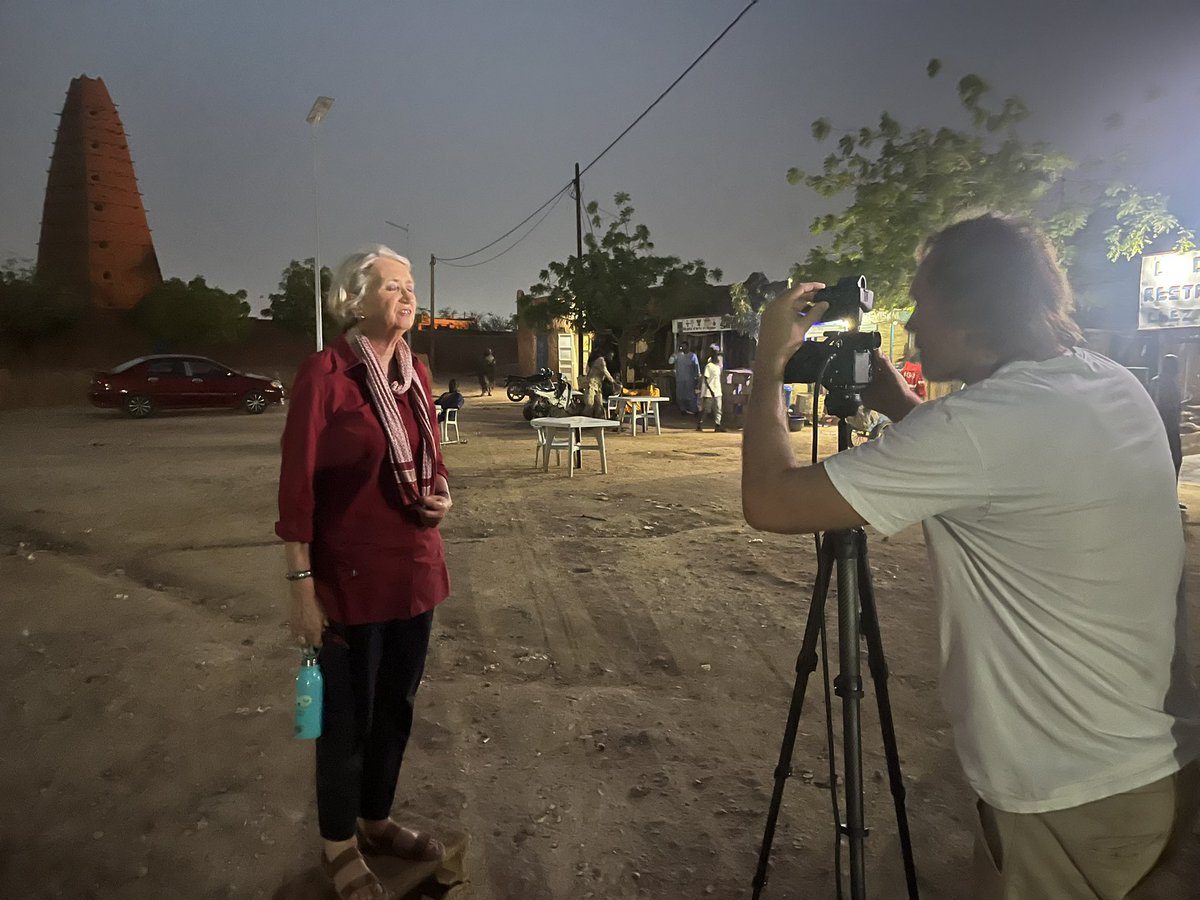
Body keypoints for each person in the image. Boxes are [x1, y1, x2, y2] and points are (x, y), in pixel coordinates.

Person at [741, 214, 1200, 899]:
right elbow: (1005, 455)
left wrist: (768, 368)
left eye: (924, 304)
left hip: (1067, 791)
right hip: (1149, 764)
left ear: (970, 310)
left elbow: (771, 502)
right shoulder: (1106, 380)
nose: (917, 326)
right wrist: (900, 403)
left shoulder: (979, 428)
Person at [276, 245, 453, 900]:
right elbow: (296, 494)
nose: (408, 296)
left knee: (395, 709)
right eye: (391, 286)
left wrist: (445, 498)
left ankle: (375, 819)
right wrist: (301, 589)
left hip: (416, 573)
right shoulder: (325, 376)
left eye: (410, 287)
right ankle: (338, 843)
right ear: (354, 299)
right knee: (343, 720)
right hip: (348, 582)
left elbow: (431, 462)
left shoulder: (417, 374)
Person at [1152, 354, 1183, 478]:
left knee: (1175, 460)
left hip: (1170, 427)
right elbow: (1160, 404)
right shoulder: (1160, 383)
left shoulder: (1170, 382)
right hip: (1166, 428)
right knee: (1173, 460)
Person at [697, 349, 725, 432]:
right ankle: (700, 423)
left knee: (718, 409)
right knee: (706, 410)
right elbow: (705, 379)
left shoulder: (718, 367)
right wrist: (711, 390)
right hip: (709, 392)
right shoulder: (709, 366)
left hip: (718, 391)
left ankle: (717, 425)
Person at [584, 348, 616, 418]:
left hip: (598, 385)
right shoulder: (601, 361)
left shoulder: (603, 362)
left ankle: (599, 421)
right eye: (611, 355)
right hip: (592, 384)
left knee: (599, 404)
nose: (611, 357)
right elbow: (605, 372)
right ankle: (585, 419)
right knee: (590, 403)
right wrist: (613, 381)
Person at [669, 342, 700, 414]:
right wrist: (675, 353)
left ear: (688, 347)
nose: (683, 348)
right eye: (681, 347)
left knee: (690, 395)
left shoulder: (692, 355)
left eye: (684, 347)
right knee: (680, 395)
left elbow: (696, 367)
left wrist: (697, 377)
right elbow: (670, 362)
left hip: (690, 379)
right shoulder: (677, 355)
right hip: (680, 379)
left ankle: (693, 410)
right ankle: (683, 410)